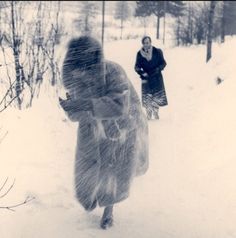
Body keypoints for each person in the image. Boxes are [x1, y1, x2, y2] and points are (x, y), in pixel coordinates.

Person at [59, 36, 148, 229]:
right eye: (76, 69)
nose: (80, 74)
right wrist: (70, 107)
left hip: (122, 126)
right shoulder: (74, 78)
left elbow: (119, 106)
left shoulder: (113, 71)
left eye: (84, 69)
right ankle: (92, 198)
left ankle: (109, 210)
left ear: (91, 64)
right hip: (91, 128)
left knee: (112, 168)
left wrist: (86, 104)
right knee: (87, 170)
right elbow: (76, 114)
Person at [134, 36, 168, 120]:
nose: (146, 44)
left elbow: (163, 63)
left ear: (150, 42)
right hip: (146, 78)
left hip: (156, 76)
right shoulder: (139, 54)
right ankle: (148, 114)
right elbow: (136, 66)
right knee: (147, 96)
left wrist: (158, 69)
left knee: (156, 95)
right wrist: (142, 72)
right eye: (144, 43)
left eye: (147, 42)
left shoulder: (157, 51)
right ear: (143, 44)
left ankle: (156, 112)